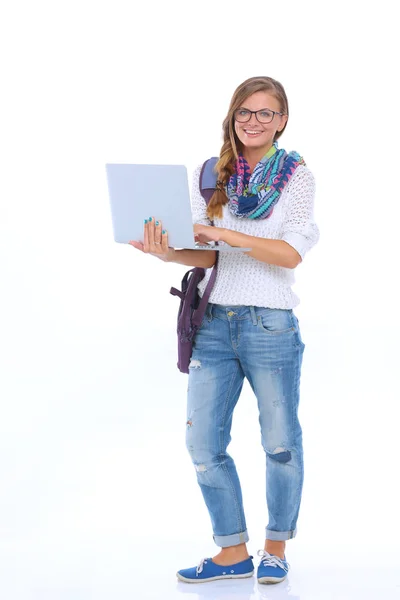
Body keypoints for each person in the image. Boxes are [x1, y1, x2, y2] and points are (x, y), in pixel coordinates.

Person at [129, 76, 320, 585]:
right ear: (232, 117)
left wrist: (222, 232)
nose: (253, 122)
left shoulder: (297, 176)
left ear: (282, 120)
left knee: (280, 441)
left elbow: (290, 252)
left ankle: (275, 547)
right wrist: (165, 252)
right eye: (244, 113)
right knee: (204, 445)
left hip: (270, 323)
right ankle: (233, 552)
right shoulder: (210, 173)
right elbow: (205, 253)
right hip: (213, 323)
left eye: (265, 113)